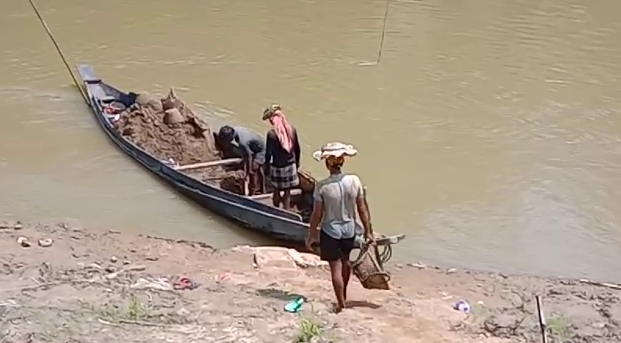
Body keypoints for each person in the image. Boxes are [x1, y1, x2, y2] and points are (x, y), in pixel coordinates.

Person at [305, 142, 375, 313]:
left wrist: (312, 234)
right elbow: (362, 208)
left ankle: (341, 304)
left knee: (335, 268)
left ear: (327, 163)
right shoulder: (355, 181)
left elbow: (317, 214)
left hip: (331, 231)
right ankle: (343, 294)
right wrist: (368, 232)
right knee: (346, 263)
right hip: (350, 229)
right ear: (342, 162)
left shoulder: (322, 186)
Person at [262, 104, 301, 210]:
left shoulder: (272, 134)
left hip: (278, 166)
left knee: (276, 190)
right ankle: (286, 211)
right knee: (287, 192)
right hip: (291, 165)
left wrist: (266, 167)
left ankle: (275, 210)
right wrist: (297, 164)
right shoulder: (292, 129)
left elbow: (268, 154)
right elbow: (297, 149)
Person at [216, 125, 266, 195]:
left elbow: (249, 157)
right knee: (258, 169)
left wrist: (248, 172)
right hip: (255, 145)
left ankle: (253, 190)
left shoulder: (242, 142)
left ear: (231, 137)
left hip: (260, 150)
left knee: (253, 169)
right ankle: (262, 190)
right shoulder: (237, 129)